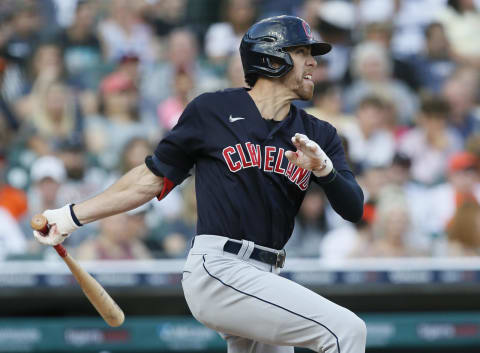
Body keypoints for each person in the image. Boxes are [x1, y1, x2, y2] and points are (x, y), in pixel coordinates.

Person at [32, 16, 366, 353]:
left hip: (267, 275)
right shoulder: (214, 111)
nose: (313, 62)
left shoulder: (320, 134)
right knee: (346, 331)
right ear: (270, 56)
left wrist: (325, 171)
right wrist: (70, 216)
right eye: (301, 51)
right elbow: (149, 180)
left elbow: (354, 209)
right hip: (218, 268)